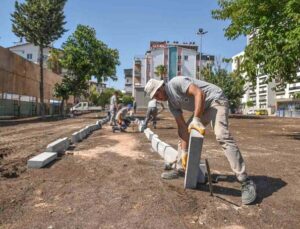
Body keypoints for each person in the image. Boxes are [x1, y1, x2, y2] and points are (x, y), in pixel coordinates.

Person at [144, 76, 257, 205]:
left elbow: (199, 93)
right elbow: (182, 127)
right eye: (154, 97)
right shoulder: (171, 104)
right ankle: (181, 169)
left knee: (222, 135)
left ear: (161, 86)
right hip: (203, 107)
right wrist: (185, 151)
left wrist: (196, 119)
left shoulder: (176, 83)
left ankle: (245, 181)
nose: (157, 98)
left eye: (157, 93)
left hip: (215, 100)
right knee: (184, 135)